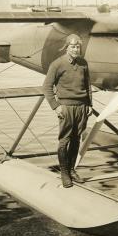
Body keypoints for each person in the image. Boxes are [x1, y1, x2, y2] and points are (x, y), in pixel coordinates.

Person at [43, 34, 92, 188]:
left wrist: (89, 104)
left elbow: (88, 85)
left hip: (82, 107)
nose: (76, 49)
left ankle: (72, 170)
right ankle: (64, 173)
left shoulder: (83, 63)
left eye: (78, 46)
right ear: (67, 47)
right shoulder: (57, 64)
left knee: (77, 139)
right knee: (65, 140)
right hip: (66, 107)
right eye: (73, 46)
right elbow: (46, 87)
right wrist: (56, 106)